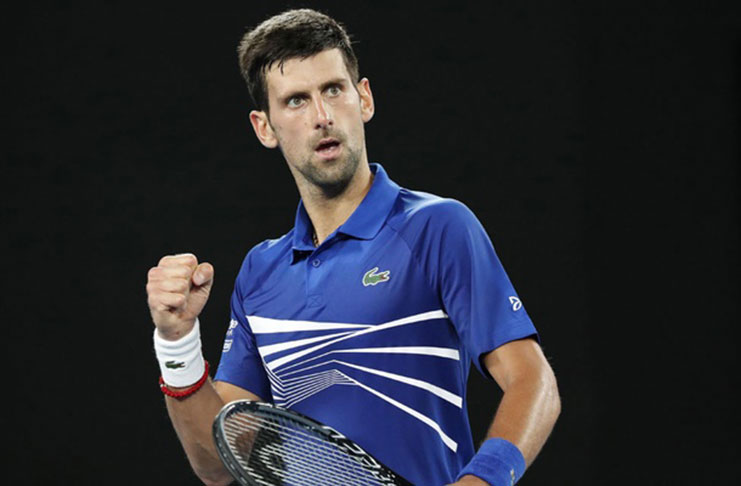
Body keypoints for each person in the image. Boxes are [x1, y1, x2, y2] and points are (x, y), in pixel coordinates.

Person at [146, 8, 560, 486]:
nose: (322, 117)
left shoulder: (437, 228)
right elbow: (217, 465)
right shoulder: (260, 272)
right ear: (265, 128)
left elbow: (535, 383)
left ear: (364, 98)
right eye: (296, 101)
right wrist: (176, 342)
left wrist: (482, 482)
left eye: (334, 90)